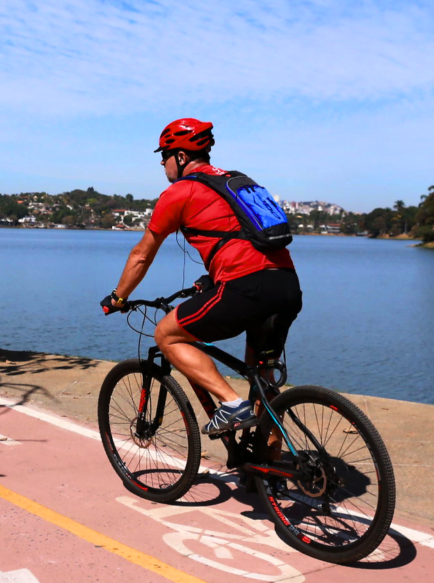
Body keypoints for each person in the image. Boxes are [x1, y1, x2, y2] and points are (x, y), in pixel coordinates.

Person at [101, 118, 302, 436]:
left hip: (247, 286)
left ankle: (231, 403)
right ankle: (267, 471)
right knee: (263, 382)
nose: (162, 164)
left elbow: (142, 255)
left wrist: (118, 297)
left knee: (166, 335)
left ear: (180, 157)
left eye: (164, 156)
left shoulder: (180, 191)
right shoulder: (238, 182)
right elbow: (238, 236)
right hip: (287, 285)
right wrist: (213, 277)